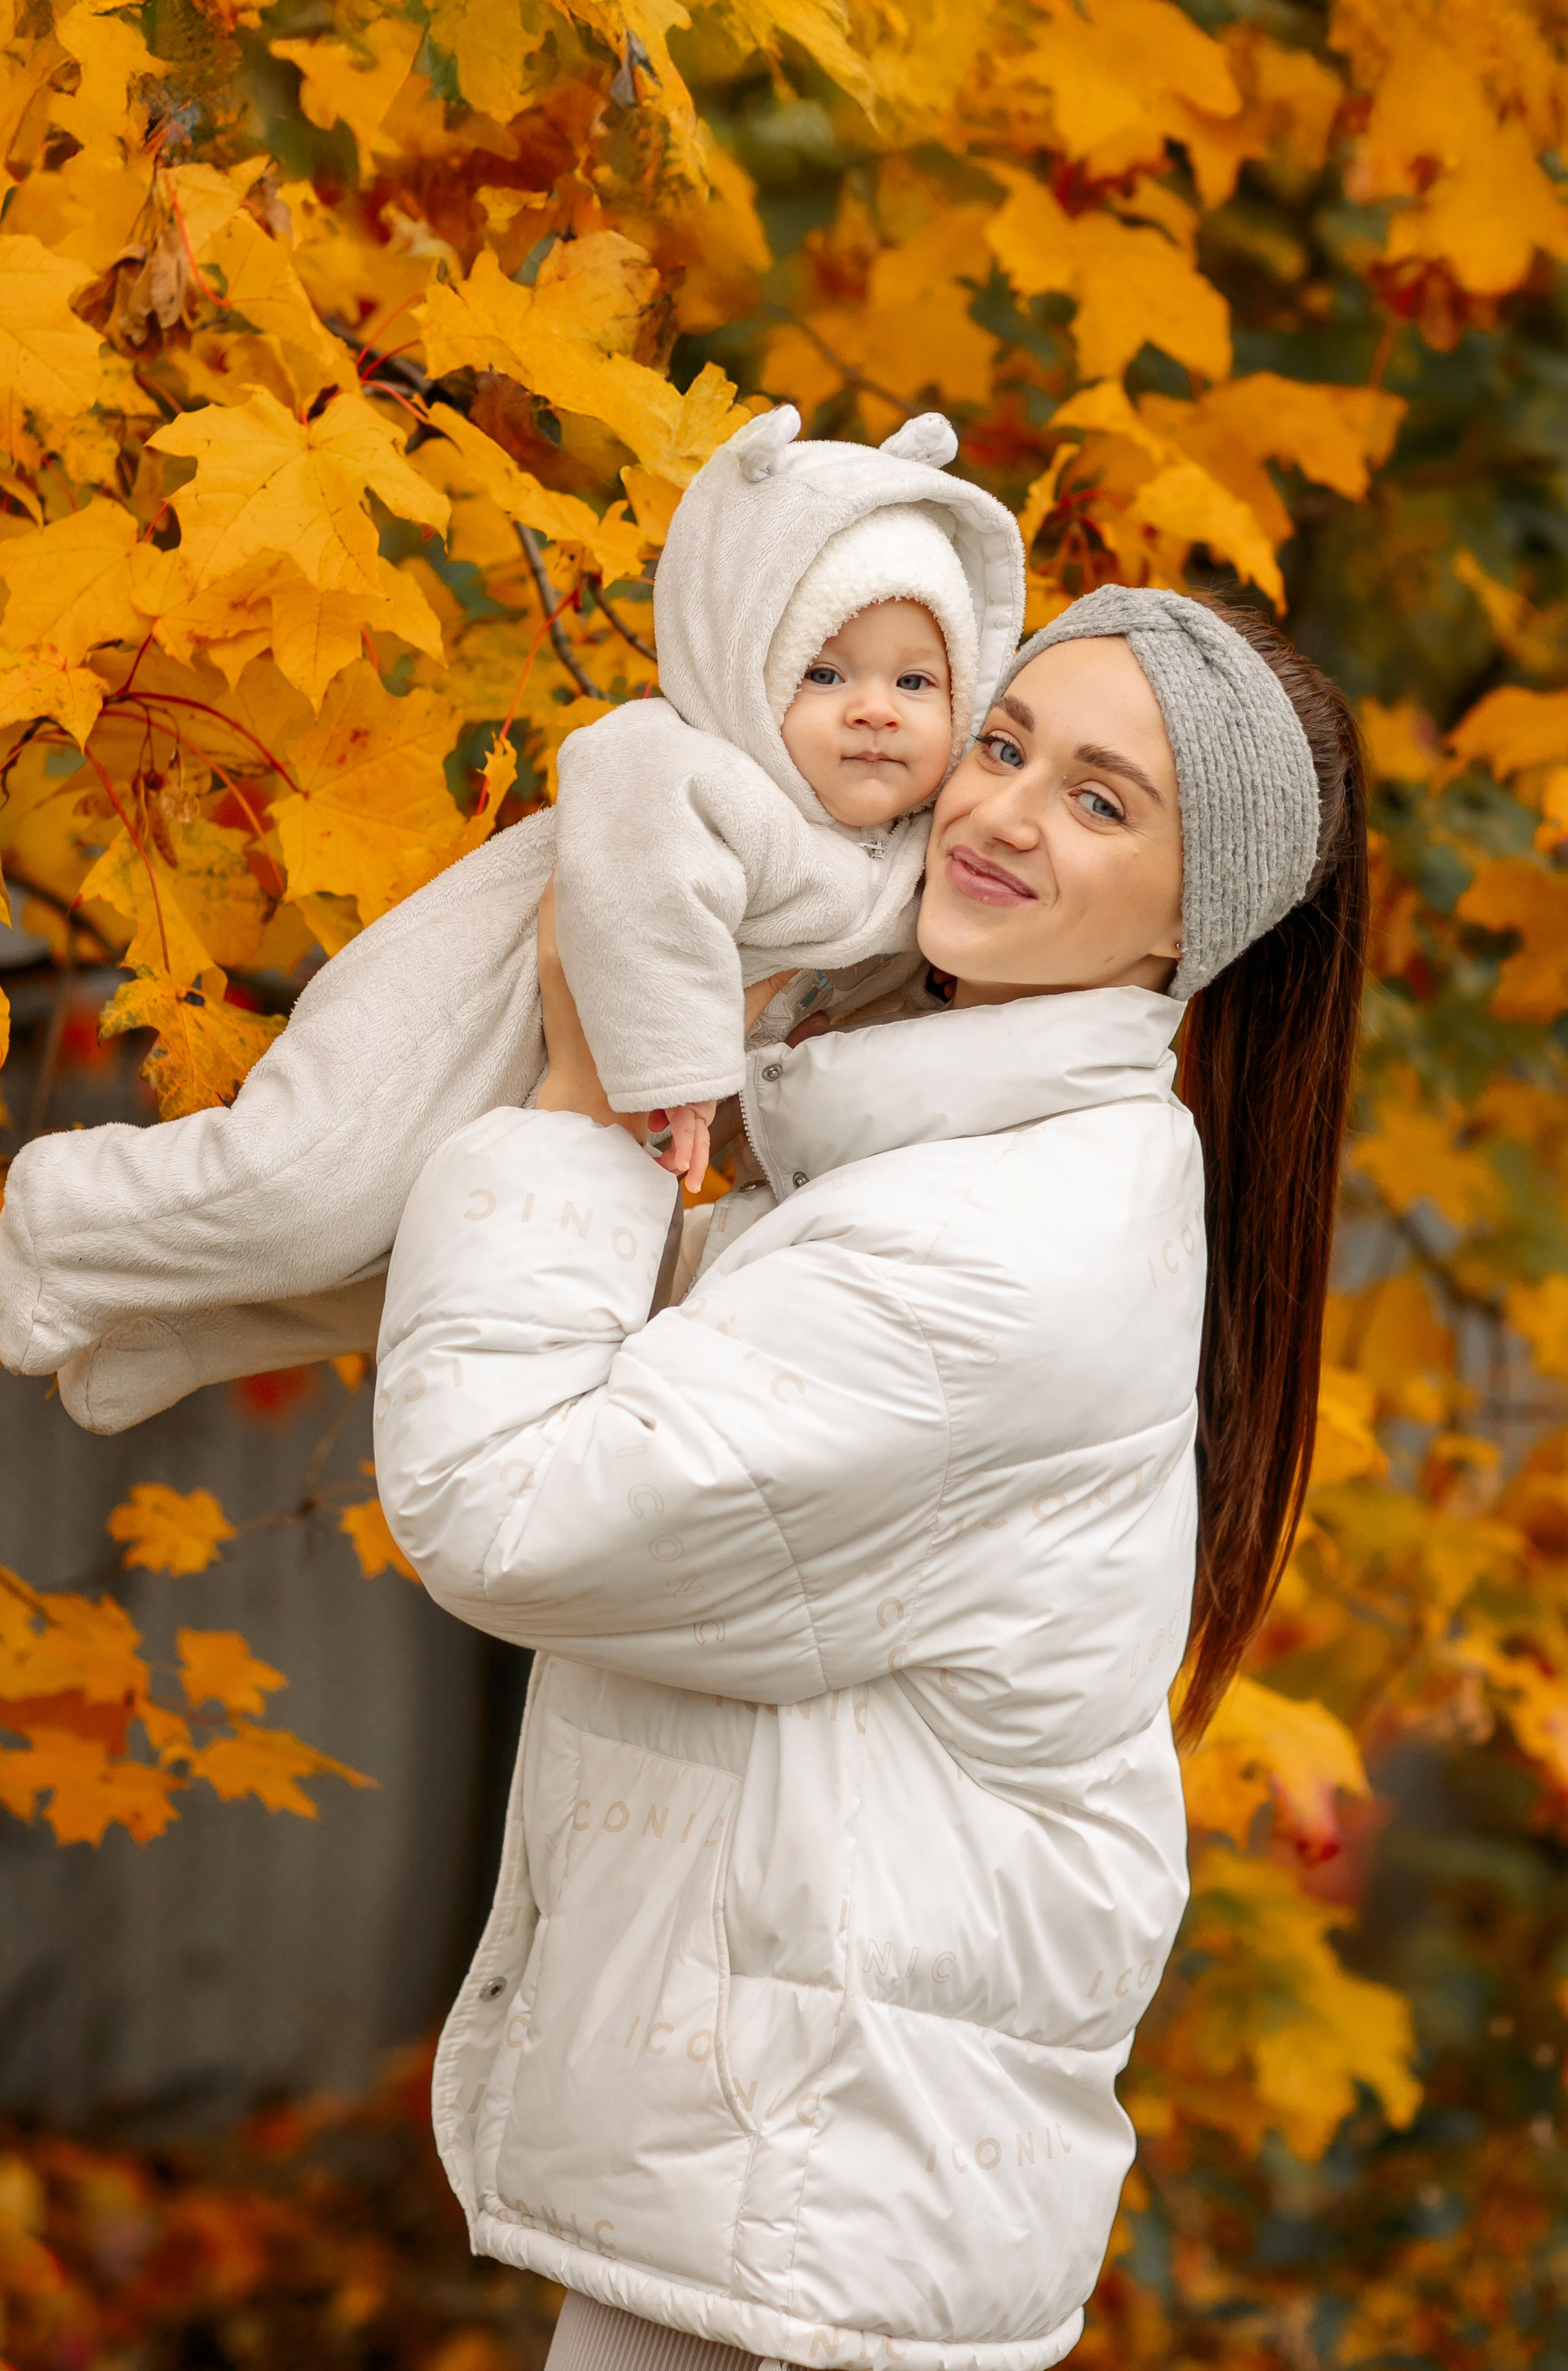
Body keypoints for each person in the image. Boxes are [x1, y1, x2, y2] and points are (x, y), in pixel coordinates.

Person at [371, 586, 1370, 2371]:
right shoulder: (936, 1155)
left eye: (1100, 800)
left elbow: (510, 1507)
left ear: (1188, 925)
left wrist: (581, 1099)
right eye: (1005, 744)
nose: (999, 812)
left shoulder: (993, 1248)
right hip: (800, 2173)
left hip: (812, 2204)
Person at [0, 405, 1021, 1434]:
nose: (876, 708)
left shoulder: (907, 866)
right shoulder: (686, 763)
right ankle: (65, 1217)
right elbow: (648, 883)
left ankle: (158, 1334)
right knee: (308, 1189)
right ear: (743, 674)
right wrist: (681, 1066)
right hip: (460, 1012)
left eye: (917, 681)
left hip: (580, 1090)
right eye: (825, 674)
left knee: (413, 1259)